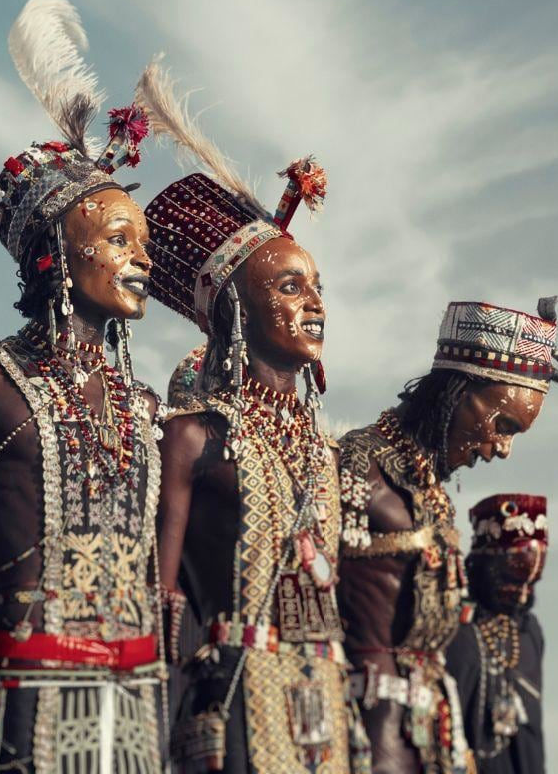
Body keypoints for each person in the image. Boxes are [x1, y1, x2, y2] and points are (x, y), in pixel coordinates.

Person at [0, 0, 163, 773]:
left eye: (144, 242)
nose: (143, 259)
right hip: (26, 698)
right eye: (119, 239)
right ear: (58, 254)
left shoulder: (144, 405)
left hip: (138, 704)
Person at [136, 59, 370, 773]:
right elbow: (161, 599)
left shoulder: (325, 452)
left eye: (317, 287)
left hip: (327, 710)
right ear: (235, 309)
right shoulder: (192, 437)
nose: (315, 305)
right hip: (232, 707)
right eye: (290, 287)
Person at [337, 298, 558, 773]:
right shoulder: (354, 466)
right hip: (359, 742)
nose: (503, 450)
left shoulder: (429, 491)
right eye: (504, 426)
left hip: (429, 745)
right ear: (459, 390)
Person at [446, 494, 548, 773]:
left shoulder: (529, 632)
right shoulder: (454, 622)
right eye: (513, 581)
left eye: (531, 584)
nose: (523, 594)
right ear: (486, 564)